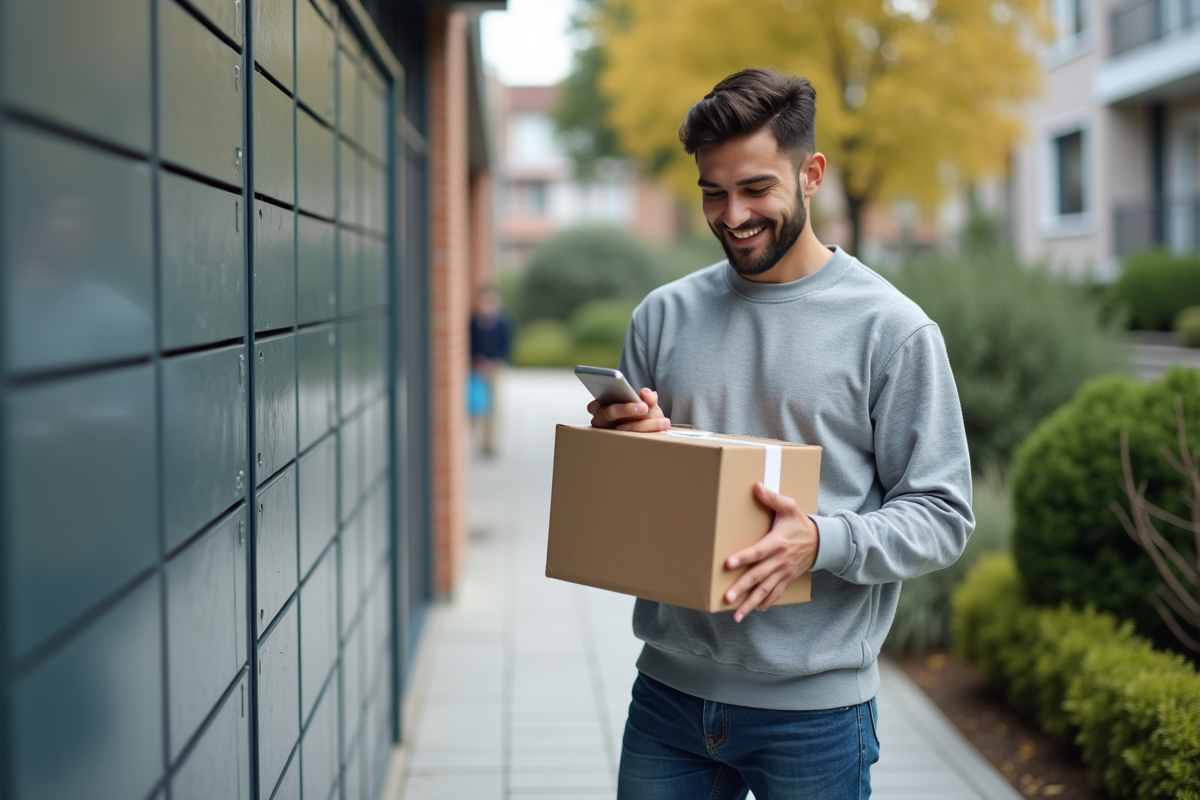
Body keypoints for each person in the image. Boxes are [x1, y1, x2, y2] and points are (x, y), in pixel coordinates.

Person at [587, 69, 974, 799]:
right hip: (668, 698)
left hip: (815, 715)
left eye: (755, 189)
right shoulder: (661, 317)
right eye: (712, 191)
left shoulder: (891, 331)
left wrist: (820, 541)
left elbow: (945, 515)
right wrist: (618, 449)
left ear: (812, 174)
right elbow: (626, 511)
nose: (731, 215)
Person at [469, 285, 514, 457]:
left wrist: (495, 362)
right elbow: (469, 345)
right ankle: (472, 438)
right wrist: (476, 361)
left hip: (494, 369)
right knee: (474, 405)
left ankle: (489, 443)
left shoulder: (503, 322)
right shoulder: (473, 322)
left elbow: (507, 346)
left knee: (492, 407)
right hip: (476, 370)